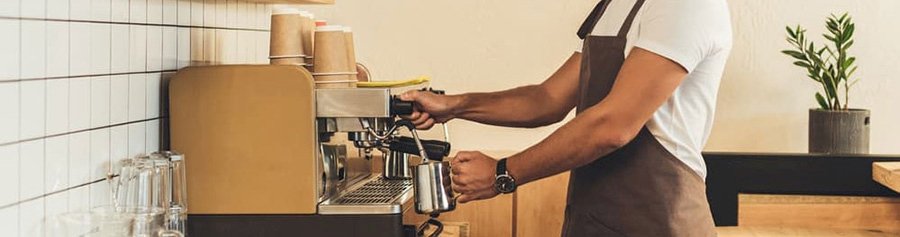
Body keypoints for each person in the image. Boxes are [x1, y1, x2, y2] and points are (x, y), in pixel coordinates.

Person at [401, 0, 732, 236]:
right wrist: (453, 105)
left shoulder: (688, 5)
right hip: (594, 220)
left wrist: (502, 173)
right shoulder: (615, 6)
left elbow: (613, 124)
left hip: (657, 222)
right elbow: (546, 99)